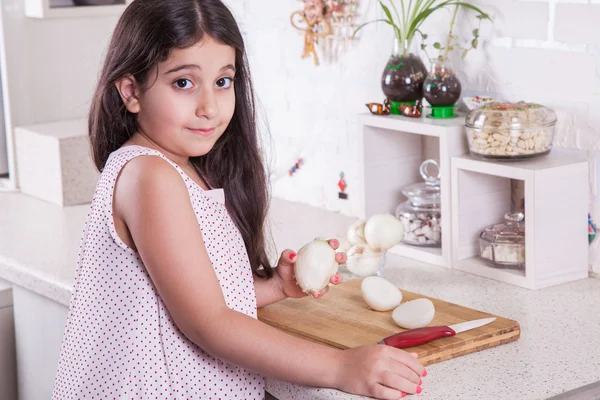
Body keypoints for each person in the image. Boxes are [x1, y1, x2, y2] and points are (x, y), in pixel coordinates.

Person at [52, 0, 425, 399]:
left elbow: (193, 288)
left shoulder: (179, 167)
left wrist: (273, 288)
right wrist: (340, 366)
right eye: (183, 83)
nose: (209, 107)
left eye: (223, 81)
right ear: (131, 91)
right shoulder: (150, 175)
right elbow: (208, 323)